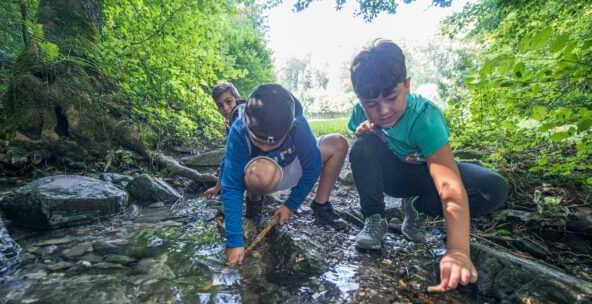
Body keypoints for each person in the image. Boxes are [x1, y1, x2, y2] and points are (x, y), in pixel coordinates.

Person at [347, 39, 508, 291]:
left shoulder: (425, 118)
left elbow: (449, 185)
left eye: (391, 97)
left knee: (493, 188)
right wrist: (360, 132)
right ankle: (375, 219)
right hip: (395, 177)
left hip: (427, 176)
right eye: (371, 105)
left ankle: (418, 207)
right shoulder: (360, 111)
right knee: (362, 145)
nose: (384, 110)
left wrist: (457, 251)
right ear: (360, 100)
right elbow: (361, 153)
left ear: (407, 85)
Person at [221, 83, 349, 265]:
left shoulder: (296, 123)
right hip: (265, 172)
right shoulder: (239, 130)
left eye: (271, 142)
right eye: (259, 141)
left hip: (293, 164)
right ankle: (255, 202)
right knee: (260, 173)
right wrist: (234, 239)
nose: (264, 146)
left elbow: (312, 167)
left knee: (339, 143)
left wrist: (291, 204)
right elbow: (232, 186)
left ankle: (321, 205)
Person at [204, 81, 246, 199]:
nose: (225, 108)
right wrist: (217, 187)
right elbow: (228, 155)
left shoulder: (249, 117)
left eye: (228, 102)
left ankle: (253, 209)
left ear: (239, 99)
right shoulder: (230, 124)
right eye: (220, 105)